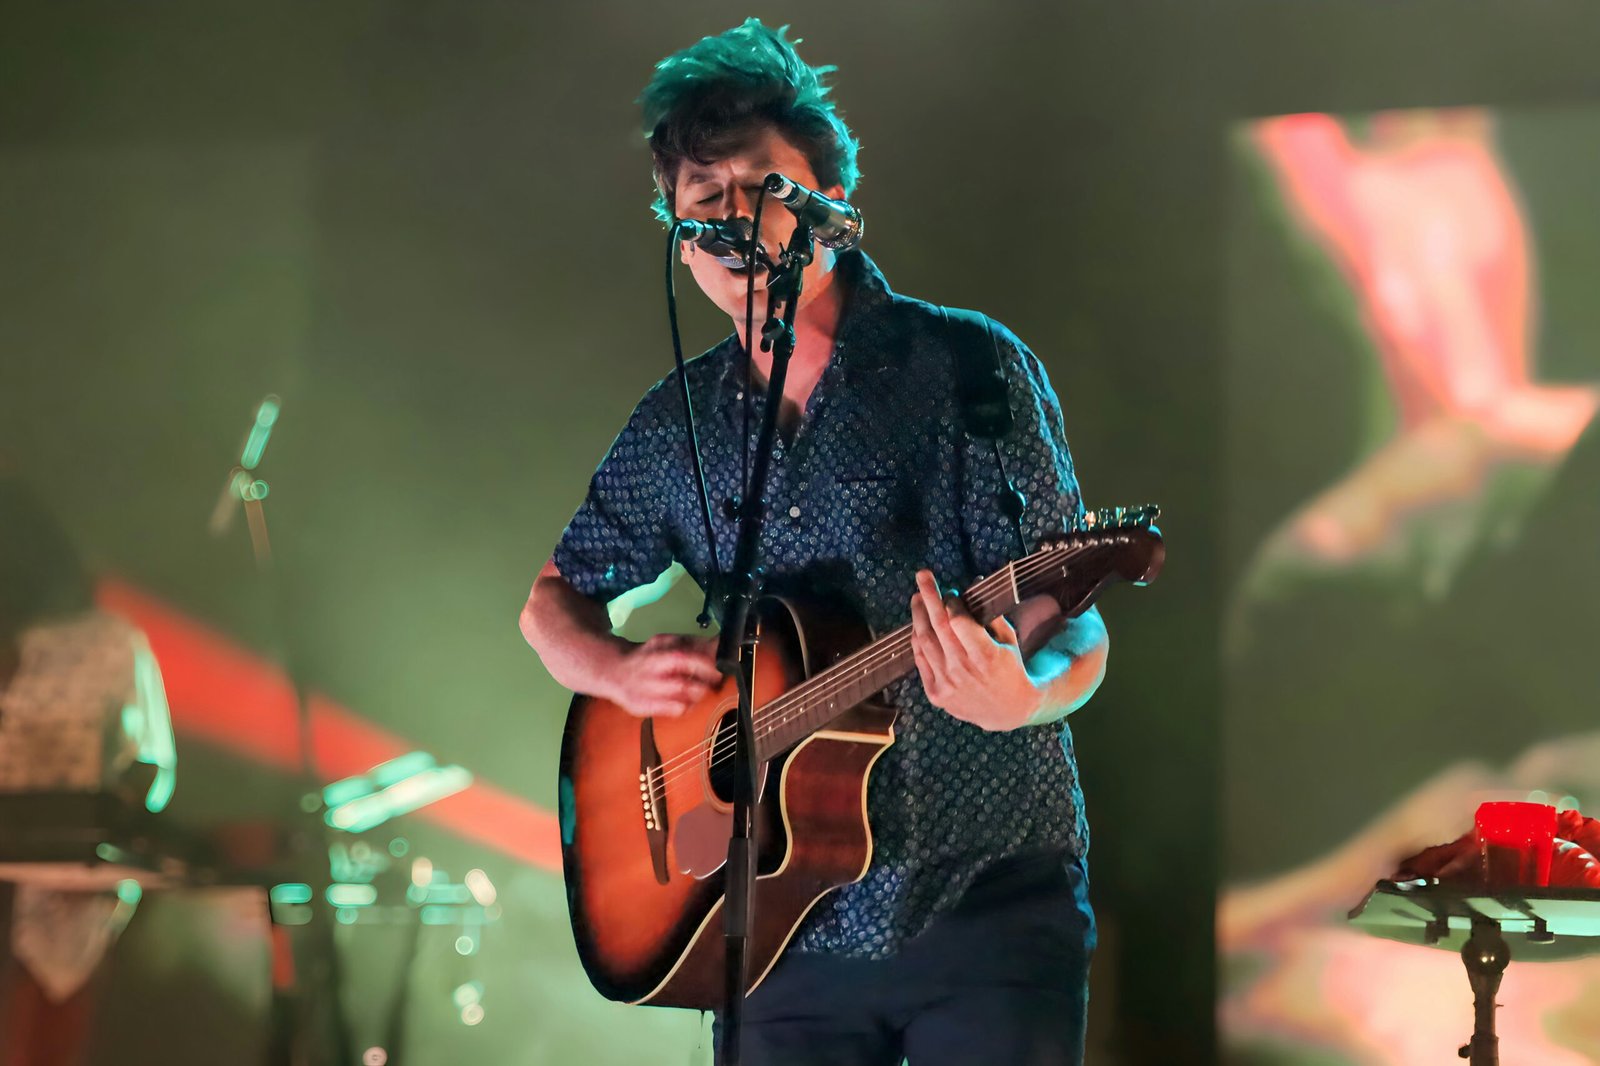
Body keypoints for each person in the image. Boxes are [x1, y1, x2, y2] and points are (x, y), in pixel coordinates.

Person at [519, 20, 1110, 1065]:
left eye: (763, 190)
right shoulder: (679, 421)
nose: (732, 223)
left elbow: (1068, 609)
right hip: (771, 925)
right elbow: (551, 604)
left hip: (980, 890)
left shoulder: (965, 367)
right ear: (676, 232)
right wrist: (614, 670)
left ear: (832, 207)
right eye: (703, 205)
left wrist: (1030, 692)